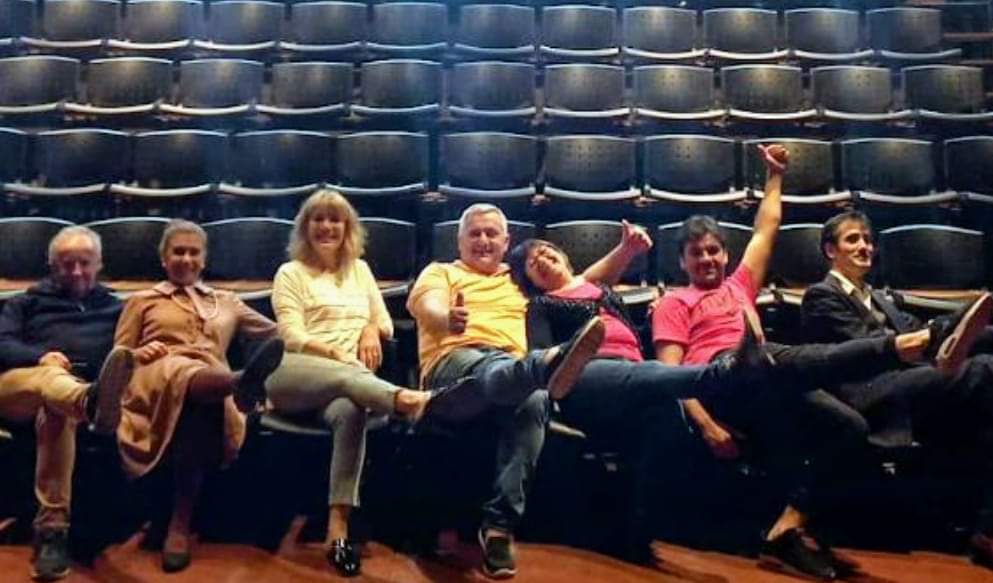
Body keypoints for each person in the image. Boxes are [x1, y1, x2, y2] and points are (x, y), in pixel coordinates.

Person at [650, 145, 982, 580]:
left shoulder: (739, 287)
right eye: (696, 253)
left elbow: (766, 228)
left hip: (765, 372)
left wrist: (774, 175)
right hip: (720, 377)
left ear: (726, 255)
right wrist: (708, 426)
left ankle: (786, 530)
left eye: (713, 250)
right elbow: (670, 376)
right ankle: (913, 343)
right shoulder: (673, 303)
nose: (707, 259)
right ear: (682, 261)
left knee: (850, 426)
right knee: (778, 356)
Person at [406, 203, 609, 579]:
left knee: (535, 397)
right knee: (507, 375)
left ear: (506, 241)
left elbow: (577, 282)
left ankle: (498, 528)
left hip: (510, 373)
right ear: (459, 241)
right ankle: (544, 366)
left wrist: (626, 251)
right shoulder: (441, 272)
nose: (483, 240)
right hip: (452, 370)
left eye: (491, 234)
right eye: (474, 234)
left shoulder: (519, 280)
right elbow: (425, 305)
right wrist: (446, 318)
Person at [801, 209, 993, 569]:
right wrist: (941, 334)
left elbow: (914, 328)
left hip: (908, 380)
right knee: (984, 369)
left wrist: (957, 326)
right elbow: (868, 348)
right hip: (869, 391)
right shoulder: (821, 295)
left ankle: (985, 528)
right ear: (830, 250)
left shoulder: (879, 298)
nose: (865, 246)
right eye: (853, 239)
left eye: (868, 240)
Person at [266, 190, 442, 577]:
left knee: (352, 409)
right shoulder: (290, 273)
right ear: (305, 227)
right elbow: (291, 336)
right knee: (353, 382)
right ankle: (406, 401)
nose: (327, 227)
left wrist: (368, 329)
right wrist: (336, 354)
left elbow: (384, 323)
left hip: (348, 387)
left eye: (335, 220)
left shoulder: (359, 270)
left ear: (348, 228)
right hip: (295, 376)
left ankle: (338, 526)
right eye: (318, 219)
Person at [114, 219, 284, 573]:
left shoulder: (227, 302)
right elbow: (120, 355)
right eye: (178, 252)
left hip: (208, 383)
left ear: (204, 260)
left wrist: (334, 334)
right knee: (183, 372)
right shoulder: (143, 300)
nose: (186, 259)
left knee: (198, 403)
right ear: (164, 258)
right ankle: (240, 382)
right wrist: (138, 353)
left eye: (194, 253)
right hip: (155, 376)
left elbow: (278, 335)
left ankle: (179, 523)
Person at [0, 225, 134, 581]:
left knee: (56, 409)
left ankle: (52, 532)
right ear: (52, 266)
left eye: (84, 263)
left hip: (69, 399)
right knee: (50, 383)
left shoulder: (117, 308)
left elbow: (130, 350)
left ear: (99, 264)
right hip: (19, 388)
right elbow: (2, 343)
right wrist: (39, 356)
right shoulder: (25, 302)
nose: (76, 271)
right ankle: (86, 402)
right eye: (66, 264)